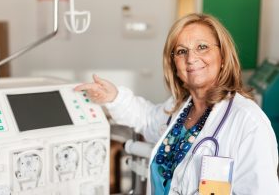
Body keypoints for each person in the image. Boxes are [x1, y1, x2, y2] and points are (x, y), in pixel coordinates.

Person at [75, 13, 279, 195]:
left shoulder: (249, 123)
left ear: (223, 56)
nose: (191, 58)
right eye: (181, 51)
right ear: (174, 65)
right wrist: (114, 97)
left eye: (202, 47)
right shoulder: (179, 108)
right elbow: (146, 119)